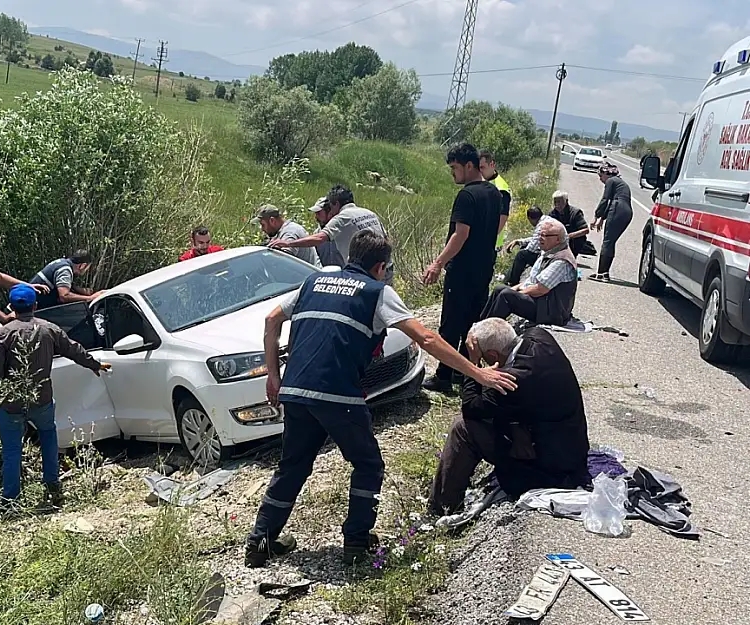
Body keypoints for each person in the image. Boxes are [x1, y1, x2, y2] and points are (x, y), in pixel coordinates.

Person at [246, 230, 517, 568]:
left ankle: (261, 541)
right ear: (379, 267)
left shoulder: (312, 283)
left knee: (293, 465)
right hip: (336, 392)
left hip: (296, 390)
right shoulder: (378, 293)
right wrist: (478, 374)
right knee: (368, 464)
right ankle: (357, 543)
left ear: (349, 257)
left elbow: (272, 319)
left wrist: (273, 375)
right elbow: (427, 338)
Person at [428, 318, 589, 517]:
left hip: (551, 466)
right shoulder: (540, 337)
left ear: (493, 355)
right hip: (571, 444)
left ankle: (442, 508)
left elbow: (471, 407)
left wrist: (474, 365)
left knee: (463, 429)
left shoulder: (514, 380)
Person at [0, 285, 112, 506]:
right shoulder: (49, 329)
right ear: (35, 306)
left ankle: (11, 498)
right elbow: (73, 349)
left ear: (12, 308)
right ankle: (52, 483)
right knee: (48, 437)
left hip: (12, 403)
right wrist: (95, 364)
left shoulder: (4, 333)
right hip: (42, 398)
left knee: (12, 450)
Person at [422, 143, 503, 393]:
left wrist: (438, 263)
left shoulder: (467, 196)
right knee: (472, 323)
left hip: (463, 271)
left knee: (450, 325)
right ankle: (465, 371)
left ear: (469, 166)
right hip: (483, 269)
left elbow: (460, 235)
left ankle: (444, 376)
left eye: (455, 168)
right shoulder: (494, 193)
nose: (453, 173)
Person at [271, 185, 389, 279]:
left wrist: (288, 244)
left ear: (336, 204)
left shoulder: (342, 217)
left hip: (367, 273)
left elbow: (319, 238)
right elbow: (386, 238)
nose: (332, 212)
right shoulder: (369, 213)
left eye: (331, 207)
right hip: (385, 267)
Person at [482, 218, 578, 327]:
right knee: (499, 289)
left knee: (507, 296)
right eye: (540, 235)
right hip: (543, 304)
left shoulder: (562, 260)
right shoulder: (548, 252)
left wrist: (516, 294)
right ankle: (480, 325)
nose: (540, 239)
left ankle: (488, 333)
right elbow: (531, 281)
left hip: (552, 312)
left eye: (545, 236)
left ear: (557, 239)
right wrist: (513, 289)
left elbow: (540, 289)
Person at [592, 163, 633, 281]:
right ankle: (605, 273)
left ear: (607, 174)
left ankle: (601, 273)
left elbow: (605, 200)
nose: (600, 179)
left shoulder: (611, 181)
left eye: (600, 175)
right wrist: (602, 219)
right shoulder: (619, 182)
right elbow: (611, 202)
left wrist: (596, 216)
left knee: (607, 242)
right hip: (626, 212)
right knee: (611, 242)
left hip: (617, 209)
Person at [31, 250, 105, 309]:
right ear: (82, 266)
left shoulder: (62, 262)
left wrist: (82, 291)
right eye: (88, 268)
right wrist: (90, 298)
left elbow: (61, 285)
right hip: (36, 307)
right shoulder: (65, 270)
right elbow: (64, 296)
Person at [252, 204, 319, 266]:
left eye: (263, 225)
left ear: (272, 221)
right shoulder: (282, 230)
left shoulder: (290, 232)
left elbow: (284, 262)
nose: (262, 229)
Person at [502, 206, 549, 286]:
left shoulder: (541, 226)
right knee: (523, 249)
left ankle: (512, 282)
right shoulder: (546, 219)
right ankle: (509, 278)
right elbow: (536, 239)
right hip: (554, 251)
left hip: (548, 256)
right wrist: (519, 241)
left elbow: (531, 249)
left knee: (522, 255)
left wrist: (522, 248)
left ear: (530, 218)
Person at [479, 150, 511, 250]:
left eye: (482, 167)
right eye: (478, 168)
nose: (480, 171)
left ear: (492, 164)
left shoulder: (501, 188)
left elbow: (503, 216)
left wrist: (489, 238)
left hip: (491, 242)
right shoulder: (484, 182)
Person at [548, 190, 594, 258]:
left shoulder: (575, 213)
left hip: (573, 241)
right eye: (555, 202)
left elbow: (585, 230)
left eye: (559, 202)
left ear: (566, 201)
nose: (557, 205)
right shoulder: (552, 214)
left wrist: (568, 236)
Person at [309, 196, 345, 267]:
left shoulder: (343, 231)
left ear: (329, 211)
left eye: (319, 213)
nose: (316, 217)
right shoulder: (316, 234)